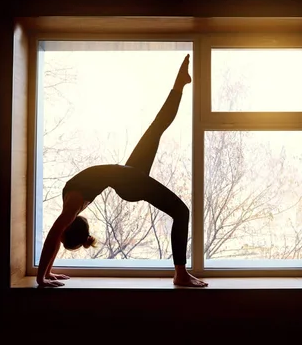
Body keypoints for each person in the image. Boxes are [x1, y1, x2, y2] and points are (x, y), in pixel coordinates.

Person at [37, 54, 208, 288]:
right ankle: (180, 273)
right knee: (181, 212)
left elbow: (56, 236)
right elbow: (55, 236)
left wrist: (45, 274)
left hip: (126, 176)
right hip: (127, 181)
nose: (60, 228)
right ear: (70, 227)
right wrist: (44, 274)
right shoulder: (71, 203)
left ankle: (179, 83)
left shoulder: (72, 202)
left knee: (156, 127)